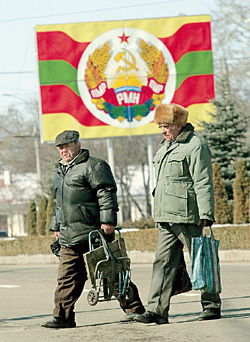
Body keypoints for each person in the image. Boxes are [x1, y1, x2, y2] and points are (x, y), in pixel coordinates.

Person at [42, 130, 145, 329]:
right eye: (60, 148)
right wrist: (56, 226)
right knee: (66, 278)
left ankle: (134, 309)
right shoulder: (60, 171)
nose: (63, 150)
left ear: (77, 144)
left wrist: (108, 222)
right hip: (68, 236)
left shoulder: (94, 165)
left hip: (93, 233)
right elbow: (60, 204)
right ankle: (63, 317)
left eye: (67, 146)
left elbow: (106, 194)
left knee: (110, 272)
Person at [135, 103, 221, 325]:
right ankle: (157, 310)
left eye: (166, 126)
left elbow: (203, 181)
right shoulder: (164, 147)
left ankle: (211, 305)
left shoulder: (195, 146)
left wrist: (206, 213)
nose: (162, 130)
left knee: (200, 259)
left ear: (179, 125)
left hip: (188, 215)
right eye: (160, 126)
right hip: (165, 216)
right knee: (162, 263)